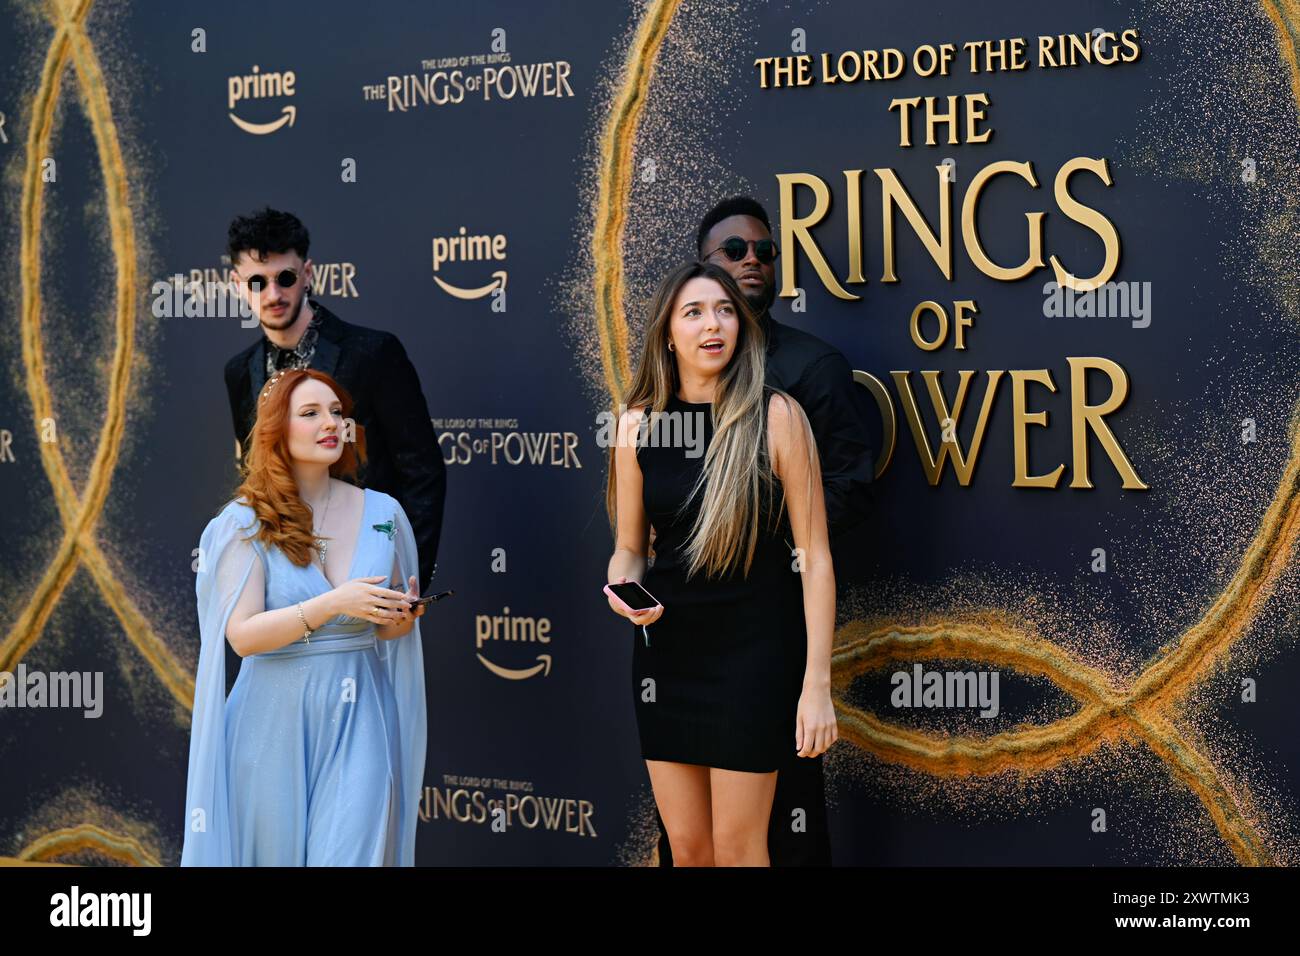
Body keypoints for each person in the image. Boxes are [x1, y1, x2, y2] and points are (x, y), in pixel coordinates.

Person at [646, 195, 876, 868]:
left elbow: (849, 489)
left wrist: (752, 538)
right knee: (690, 846)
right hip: (682, 642)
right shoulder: (656, 412)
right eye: (736, 251)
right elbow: (643, 529)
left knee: (778, 835)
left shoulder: (810, 371)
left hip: (768, 632)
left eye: (766, 251)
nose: (754, 261)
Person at [604, 261, 837, 866]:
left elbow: (814, 559)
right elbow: (631, 544)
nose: (715, 324)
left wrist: (816, 687)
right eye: (695, 312)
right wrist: (621, 580)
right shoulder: (637, 426)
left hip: (755, 657)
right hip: (667, 653)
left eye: (726, 310)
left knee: (738, 849)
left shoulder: (777, 416)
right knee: (687, 849)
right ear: (668, 334)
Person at [182, 368, 427, 865]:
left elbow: (390, 627)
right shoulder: (245, 522)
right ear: (277, 429)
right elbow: (243, 637)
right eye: (311, 413)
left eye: (337, 412)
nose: (331, 423)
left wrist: (404, 613)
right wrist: (334, 603)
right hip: (269, 721)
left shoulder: (384, 512)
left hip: (361, 715)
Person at [222, 207, 446, 595]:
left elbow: (422, 473)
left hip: (368, 578)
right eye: (257, 282)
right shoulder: (239, 372)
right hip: (282, 586)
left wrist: (405, 582)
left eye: (285, 278)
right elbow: (258, 476)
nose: (273, 294)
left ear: (307, 275)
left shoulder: (373, 354)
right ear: (237, 284)